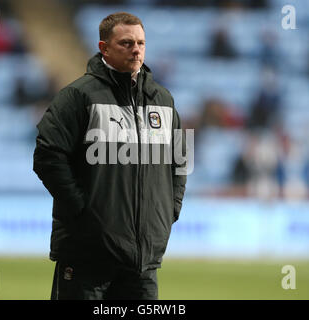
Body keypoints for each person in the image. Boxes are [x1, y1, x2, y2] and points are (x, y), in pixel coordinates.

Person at [33, 12, 187, 300]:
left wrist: (170, 210)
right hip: (86, 257)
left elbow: (179, 160)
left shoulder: (163, 101)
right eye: (126, 43)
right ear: (103, 48)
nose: (136, 49)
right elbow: (47, 156)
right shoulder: (78, 96)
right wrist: (83, 211)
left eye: (141, 42)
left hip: (141, 264)